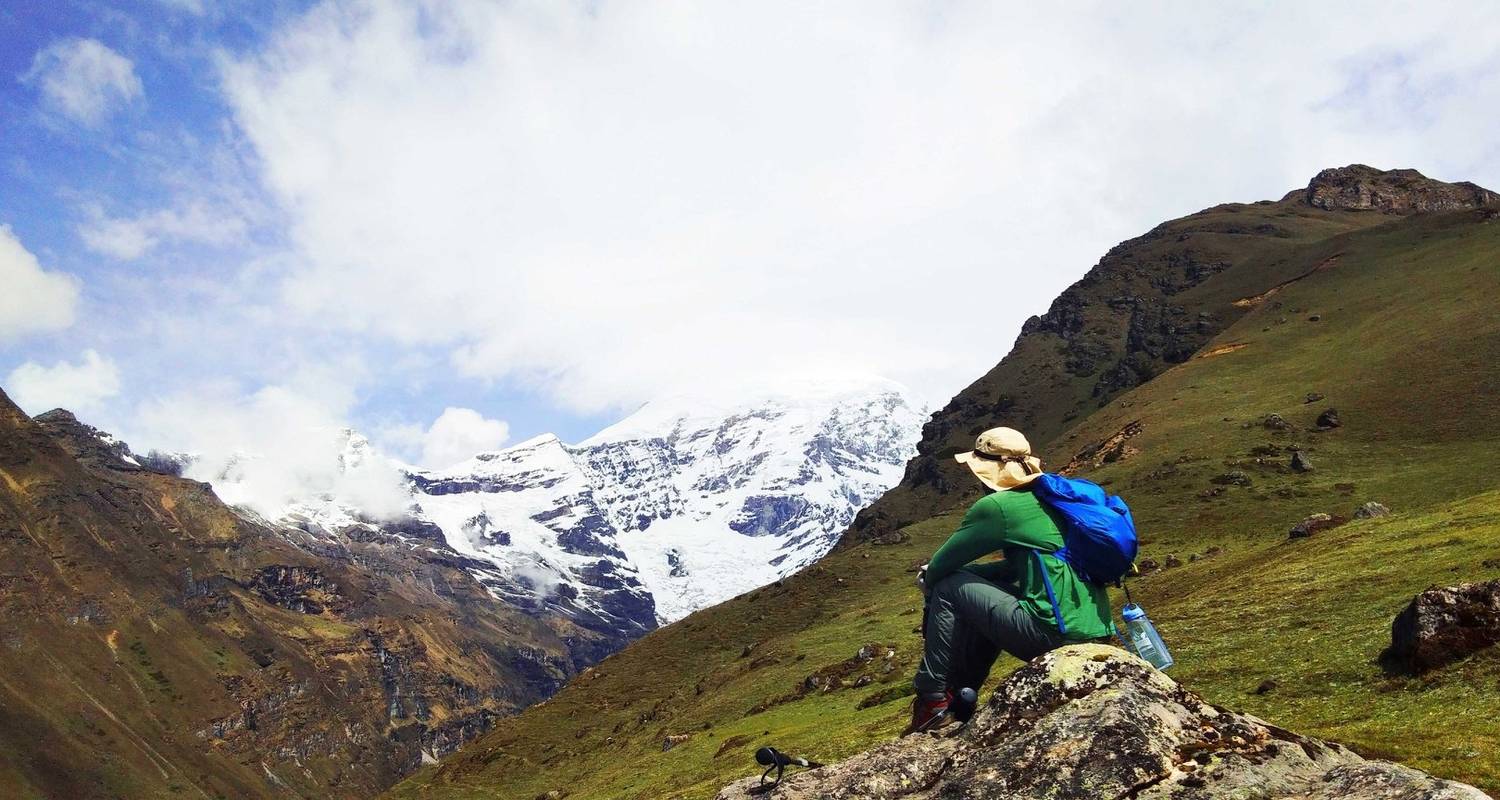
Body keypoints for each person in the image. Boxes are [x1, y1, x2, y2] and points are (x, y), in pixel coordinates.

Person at [905, 426, 1115, 735]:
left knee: (950, 587)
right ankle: (960, 699)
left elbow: (940, 567)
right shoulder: (1049, 499)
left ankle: (933, 700)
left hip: (1055, 636)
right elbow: (1017, 570)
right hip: (1097, 632)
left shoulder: (998, 507)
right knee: (976, 595)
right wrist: (973, 576)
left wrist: (936, 577)